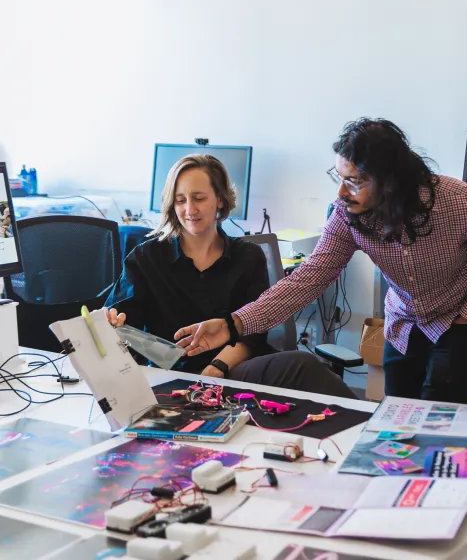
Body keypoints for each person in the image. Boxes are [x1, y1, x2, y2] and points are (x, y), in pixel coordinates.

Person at [175, 118, 467, 404]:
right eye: (339, 177)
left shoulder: (460, 202)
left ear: (390, 182)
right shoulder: (347, 215)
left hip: (459, 322)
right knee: (397, 419)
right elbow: (307, 279)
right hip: (404, 323)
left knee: (441, 421)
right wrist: (233, 324)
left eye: (354, 181)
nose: (341, 193)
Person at [104, 154, 355, 399]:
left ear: (220, 200)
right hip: (168, 374)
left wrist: (216, 369)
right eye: (180, 200)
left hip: (231, 369)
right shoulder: (147, 257)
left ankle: (368, 430)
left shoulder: (249, 256)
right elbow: (124, 322)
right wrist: (114, 323)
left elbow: (251, 335)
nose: (189, 209)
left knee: (303, 364)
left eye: (199, 198)